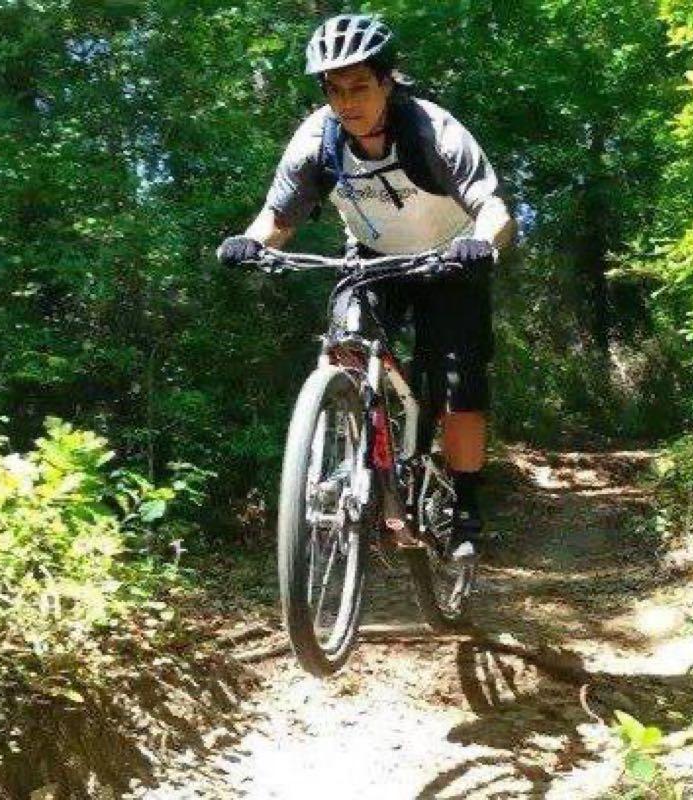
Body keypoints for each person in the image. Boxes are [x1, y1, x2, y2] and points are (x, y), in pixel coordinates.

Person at [218, 14, 516, 560]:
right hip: (373, 259)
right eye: (334, 89)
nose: (346, 101)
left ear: (387, 81)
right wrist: (251, 241)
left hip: (449, 259)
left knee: (458, 385)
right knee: (346, 348)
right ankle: (367, 473)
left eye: (359, 86)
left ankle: (466, 507)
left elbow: (493, 208)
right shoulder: (318, 140)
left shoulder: (432, 130)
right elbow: (278, 216)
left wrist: (481, 244)